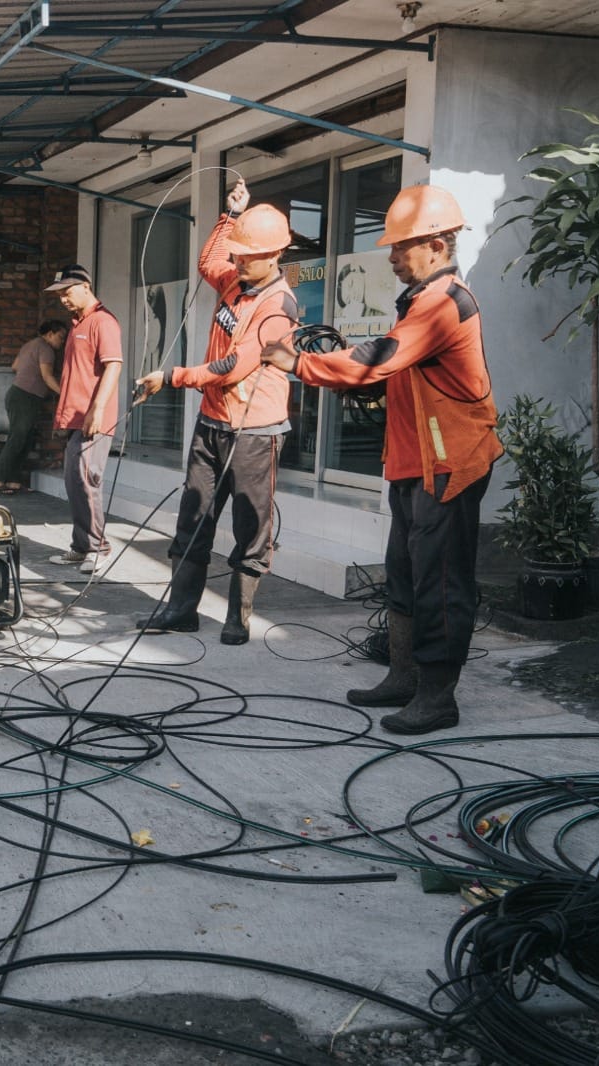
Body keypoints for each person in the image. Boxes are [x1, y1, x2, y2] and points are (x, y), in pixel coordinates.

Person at [262, 184, 501, 735]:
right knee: (404, 572)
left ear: (438, 245)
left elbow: (382, 358)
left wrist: (297, 362)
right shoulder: (420, 299)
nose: (391, 256)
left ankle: (438, 698)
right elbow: (397, 374)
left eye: (401, 247)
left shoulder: (445, 301)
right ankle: (402, 676)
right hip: (414, 462)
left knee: (440, 580)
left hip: (450, 463)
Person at [134, 179, 297, 644]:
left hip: (255, 432)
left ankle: (238, 618)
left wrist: (170, 377)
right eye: (239, 254)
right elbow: (209, 261)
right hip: (212, 424)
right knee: (193, 518)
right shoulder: (236, 279)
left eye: (248, 255)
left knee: (250, 526)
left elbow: (232, 367)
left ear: (275, 255)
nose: (239, 262)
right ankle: (181, 610)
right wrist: (230, 217)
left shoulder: (276, 306)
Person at [45, 264, 122, 575]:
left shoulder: (103, 322)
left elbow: (113, 366)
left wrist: (98, 409)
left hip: (93, 418)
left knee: (87, 480)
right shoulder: (78, 322)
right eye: (60, 294)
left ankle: (98, 547)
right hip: (76, 416)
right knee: (74, 481)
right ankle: (81, 546)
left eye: (67, 291)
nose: (63, 298)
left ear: (86, 287)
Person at [0, 319, 66, 492]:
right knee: (18, 438)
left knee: (25, 439)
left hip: (18, 395)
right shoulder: (46, 349)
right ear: (50, 334)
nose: (61, 342)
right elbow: (47, 377)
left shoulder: (30, 345)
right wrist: (65, 393)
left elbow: (15, 367)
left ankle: (13, 481)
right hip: (25, 397)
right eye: (60, 337)